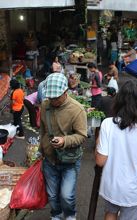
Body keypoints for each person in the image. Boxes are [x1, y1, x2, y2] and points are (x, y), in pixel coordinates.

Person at [96, 80, 137, 220]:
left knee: (110, 213)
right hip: (132, 191)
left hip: (110, 186)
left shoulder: (107, 124)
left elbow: (100, 161)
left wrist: (98, 140)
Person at [40, 73, 87, 220]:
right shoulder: (44, 105)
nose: (52, 100)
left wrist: (64, 141)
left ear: (65, 92)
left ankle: (70, 215)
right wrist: (41, 149)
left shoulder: (77, 109)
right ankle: (56, 215)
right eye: (50, 97)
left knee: (66, 195)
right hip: (49, 159)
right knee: (52, 194)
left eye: (56, 97)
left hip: (70, 160)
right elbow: (43, 129)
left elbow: (81, 136)